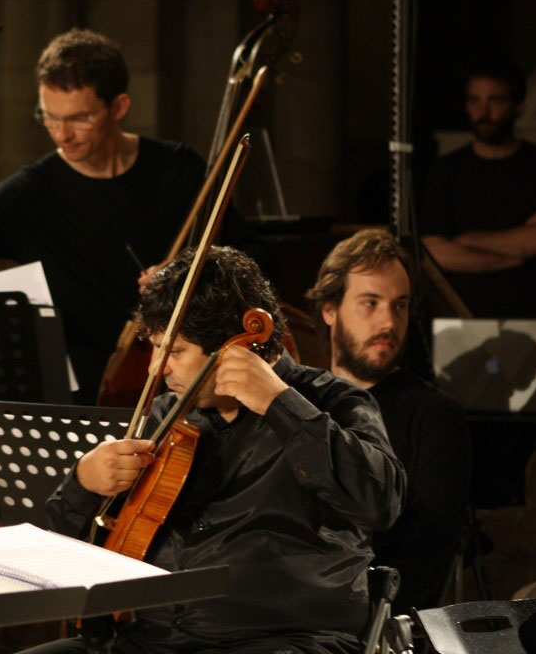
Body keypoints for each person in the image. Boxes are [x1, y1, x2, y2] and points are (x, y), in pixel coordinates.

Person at [23, 246, 404, 654]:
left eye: (175, 351)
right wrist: (84, 483)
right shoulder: (165, 414)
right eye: (155, 347)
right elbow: (64, 551)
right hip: (153, 642)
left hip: (283, 640)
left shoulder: (332, 401)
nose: (156, 368)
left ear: (235, 347)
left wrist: (281, 405)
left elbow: (381, 501)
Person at [0, 28, 258, 404]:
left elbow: (255, 260)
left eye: (79, 118)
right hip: (78, 397)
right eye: (49, 117)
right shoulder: (28, 193)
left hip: (178, 387)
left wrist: (190, 272)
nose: (61, 134)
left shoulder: (177, 170)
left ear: (119, 107)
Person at [306, 228, 471, 613]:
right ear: (330, 310)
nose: (388, 323)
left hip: (368, 617)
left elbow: (426, 556)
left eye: (400, 305)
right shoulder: (299, 404)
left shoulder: (435, 416)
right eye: (370, 303)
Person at [419, 59, 536, 345]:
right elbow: (435, 253)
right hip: (462, 321)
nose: (483, 112)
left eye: (495, 101)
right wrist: (515, 254)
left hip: (531, 320)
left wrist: (465, 241)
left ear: (518, 106)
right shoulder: (446, 170)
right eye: (474, 101)